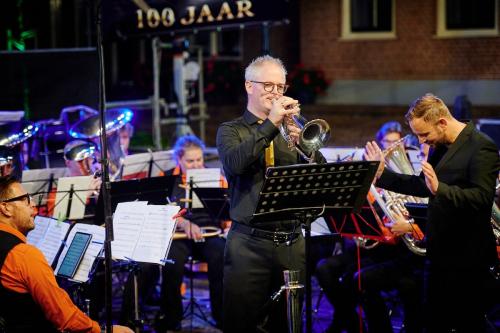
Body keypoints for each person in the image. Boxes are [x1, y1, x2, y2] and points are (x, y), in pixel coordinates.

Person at [365, 93, 500, 332]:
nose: (422, 141)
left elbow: (481, 199)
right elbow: (421, 185)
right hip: (439, 253)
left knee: (470, 323)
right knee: (435, 323)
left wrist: (441, 189)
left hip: (468, 257)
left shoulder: (482, 147)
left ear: (442, 122)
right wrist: (381, 175)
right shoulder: (441, 144)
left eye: (424, 135)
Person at [216, 55, 326, 332]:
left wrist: (305, 144)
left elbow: (320, 176)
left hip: (291, 242)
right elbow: (237, 163)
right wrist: (271, 124)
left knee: (288, 323)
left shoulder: (291, 133)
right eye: (268, 85)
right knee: (241, 323)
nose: (275, 93)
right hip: (248, 245)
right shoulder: (231, 130)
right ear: (248, 86)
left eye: (280, 87)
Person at [0, 175, 133, 333]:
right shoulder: (24, 255)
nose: (33, 204)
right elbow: (65, 318)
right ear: (5, 208)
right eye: (26, 199)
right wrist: (103, 330)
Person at [156, 134, 227, 331]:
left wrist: (227, 226)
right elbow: (161, 209)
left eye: (199, 160)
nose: (196, 165)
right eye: (190, 161)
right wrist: (184, 223)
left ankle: (221, 315)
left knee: (220, 255)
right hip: (179, 234)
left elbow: (225, 211)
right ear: (179, 159)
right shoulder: (167, 178)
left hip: (208, 233)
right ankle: (172, 318)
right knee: (171, 261)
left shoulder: (216, 178)